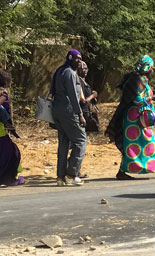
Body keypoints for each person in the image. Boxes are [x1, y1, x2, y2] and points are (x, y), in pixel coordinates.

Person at [105, 55, 155, 180]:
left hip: (140, 119)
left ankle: (123, 171)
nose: (152, 69)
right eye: (151, 67)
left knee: (134, 145)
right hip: (135, 119)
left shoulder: (141, 79)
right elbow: (136, 100)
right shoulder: (138, 80)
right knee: (145, 143)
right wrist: (151, 98)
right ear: (148, 68)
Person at [51, 49, 87, 186]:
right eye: (76, 58)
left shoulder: (59, 71)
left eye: (80, 59)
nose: (79, 61)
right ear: (70, 58)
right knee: (81, 140)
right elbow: (73, 95)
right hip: (68, 111)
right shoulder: (70, 73)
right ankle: (71, 174)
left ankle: (60, 176)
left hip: (57, 110)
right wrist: (80, 114)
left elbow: (52, 90)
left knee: (64, 142)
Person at [78, 61, 100, 133]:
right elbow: (83, 100)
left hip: (86, 112)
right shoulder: (78, 81)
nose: (85, 70)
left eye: (86, 68)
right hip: (82, 113)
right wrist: (93, 95)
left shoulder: (84, 82)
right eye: (83, 68)